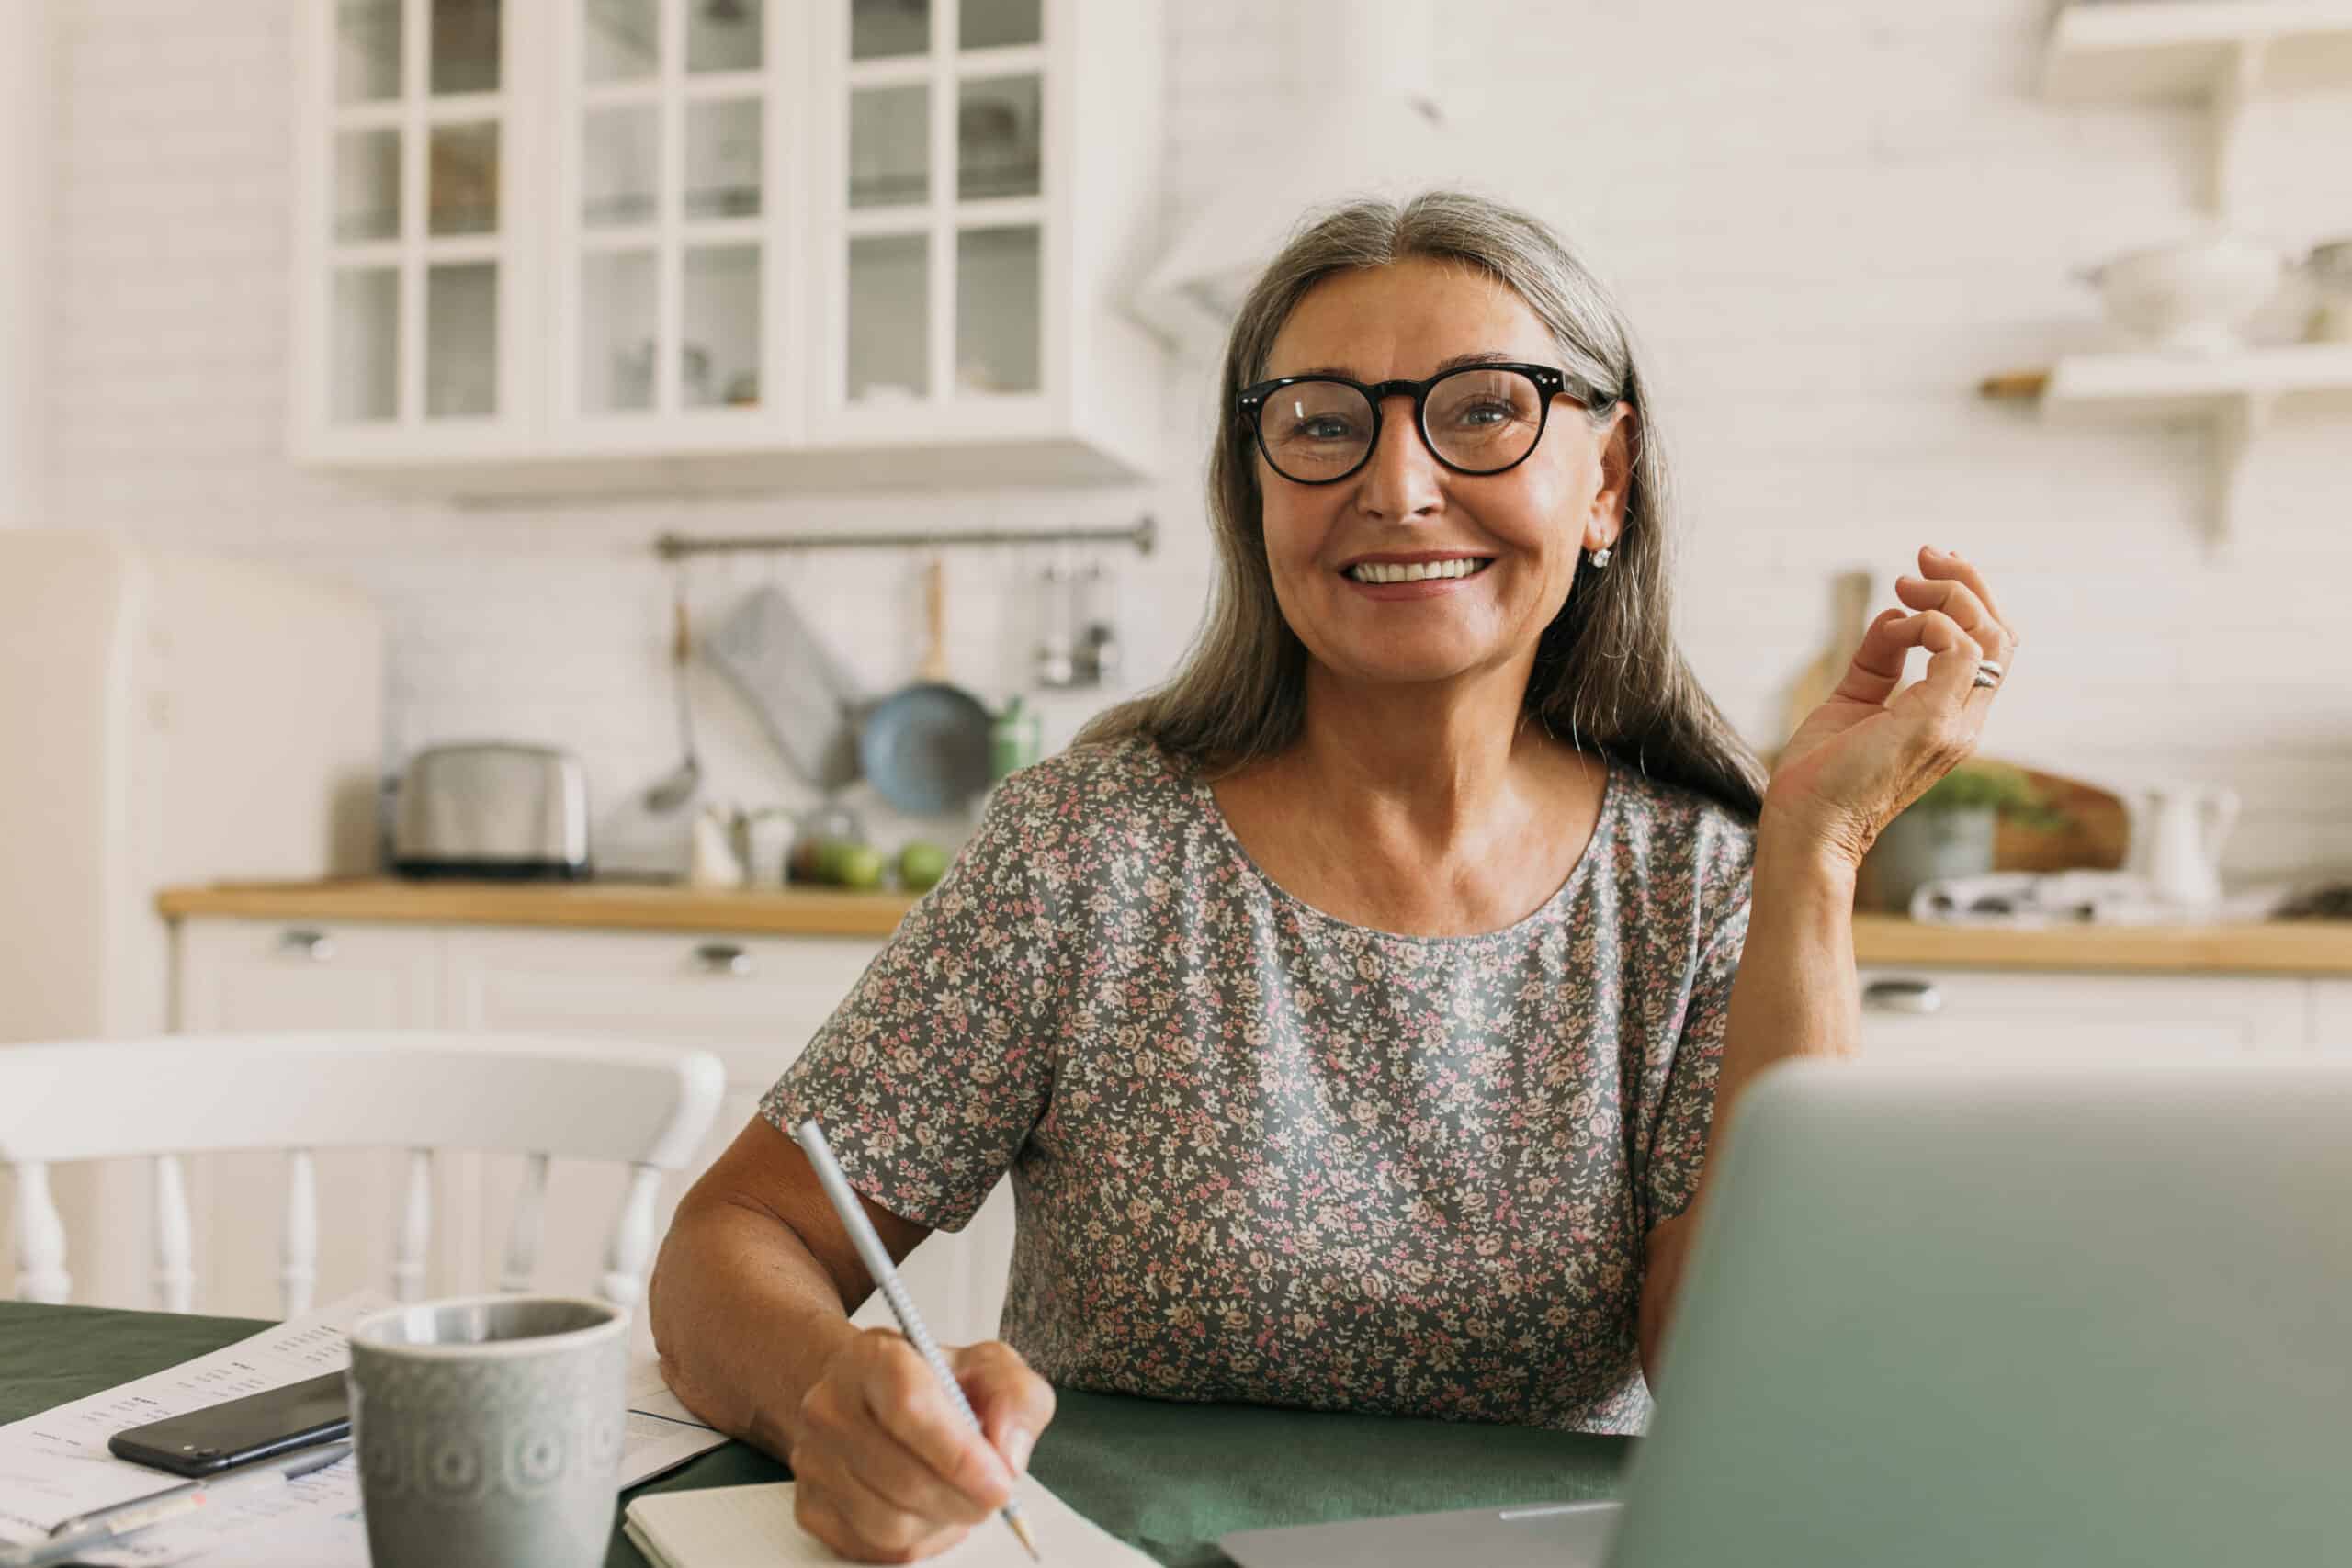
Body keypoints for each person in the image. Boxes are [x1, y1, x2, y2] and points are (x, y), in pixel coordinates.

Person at [647, 189, 2019, 1562]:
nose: (1398, 483)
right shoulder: (1087, 848)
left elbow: (1758, 1395)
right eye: (1321, 423)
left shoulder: (1701, 892)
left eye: (1485, 409)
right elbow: (734, 1241)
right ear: (1257, 494)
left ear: (1607, 481)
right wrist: (835, 1396)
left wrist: (1815, 859)